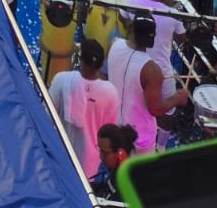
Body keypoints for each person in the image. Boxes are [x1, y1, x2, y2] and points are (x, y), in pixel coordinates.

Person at [106, 11, 188, 152]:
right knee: (138, 172)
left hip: (114, 125)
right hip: (139, 137)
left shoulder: (114, 44)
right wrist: (177, 98)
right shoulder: (151, 70)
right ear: (153, 37)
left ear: (132, 29)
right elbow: (155, 109)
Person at [47, 39, 121, 177]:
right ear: (101, 64)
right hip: (91, 165)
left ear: (80, 59)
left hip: (60, 157)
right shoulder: (111, 92)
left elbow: (45, 119)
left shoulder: (61, 80)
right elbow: (110, 131)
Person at [124, 0, 185, 96]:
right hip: (161, 71)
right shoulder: (173, 14)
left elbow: (122, 18)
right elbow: (182, 38)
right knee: (168, 110)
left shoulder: (131, 1)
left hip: (134, 64)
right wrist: (169, 5)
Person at [90, 123, 138, 200]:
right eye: (99, 149)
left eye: (104, 153)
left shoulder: (126, 186)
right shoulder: (114, 170)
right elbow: (103, 188)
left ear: (120, 153)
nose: (100, 156)